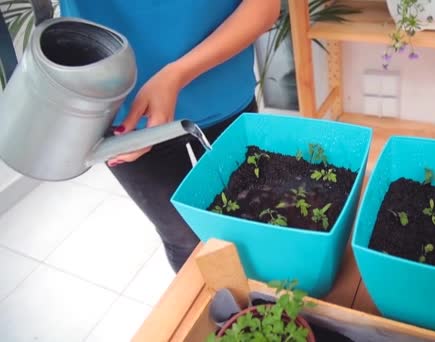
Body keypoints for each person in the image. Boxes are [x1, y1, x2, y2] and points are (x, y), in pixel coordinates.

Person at [59, 0, 281, 272]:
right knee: (185, 241)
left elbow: (263, 7)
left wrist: (175, 75)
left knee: (255, 220)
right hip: (125, 115)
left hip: (222, 88)